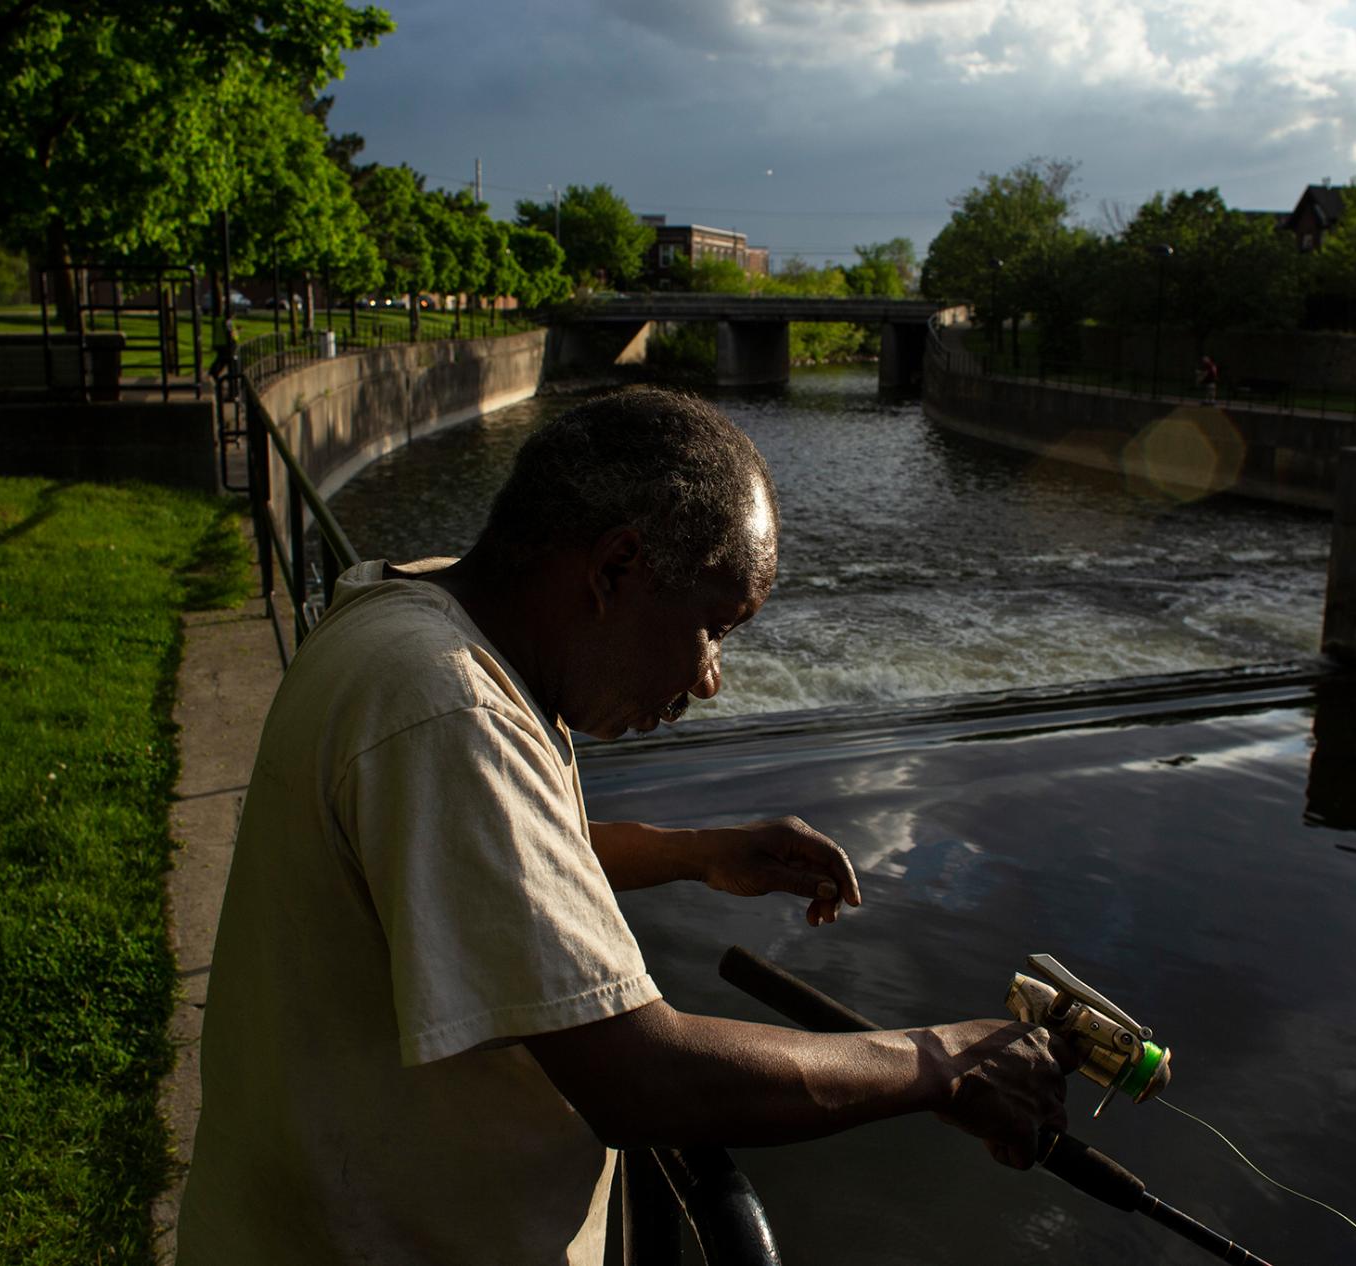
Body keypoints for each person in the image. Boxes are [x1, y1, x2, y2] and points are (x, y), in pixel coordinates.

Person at [175, 387, 1075, 1265]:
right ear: (615, 569)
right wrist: (940, 1063)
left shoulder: (415, 612)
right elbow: (644, 1078)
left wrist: (698, 855)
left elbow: (480, 857)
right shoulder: (448, 710)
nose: (713, 679)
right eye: (715, 628)